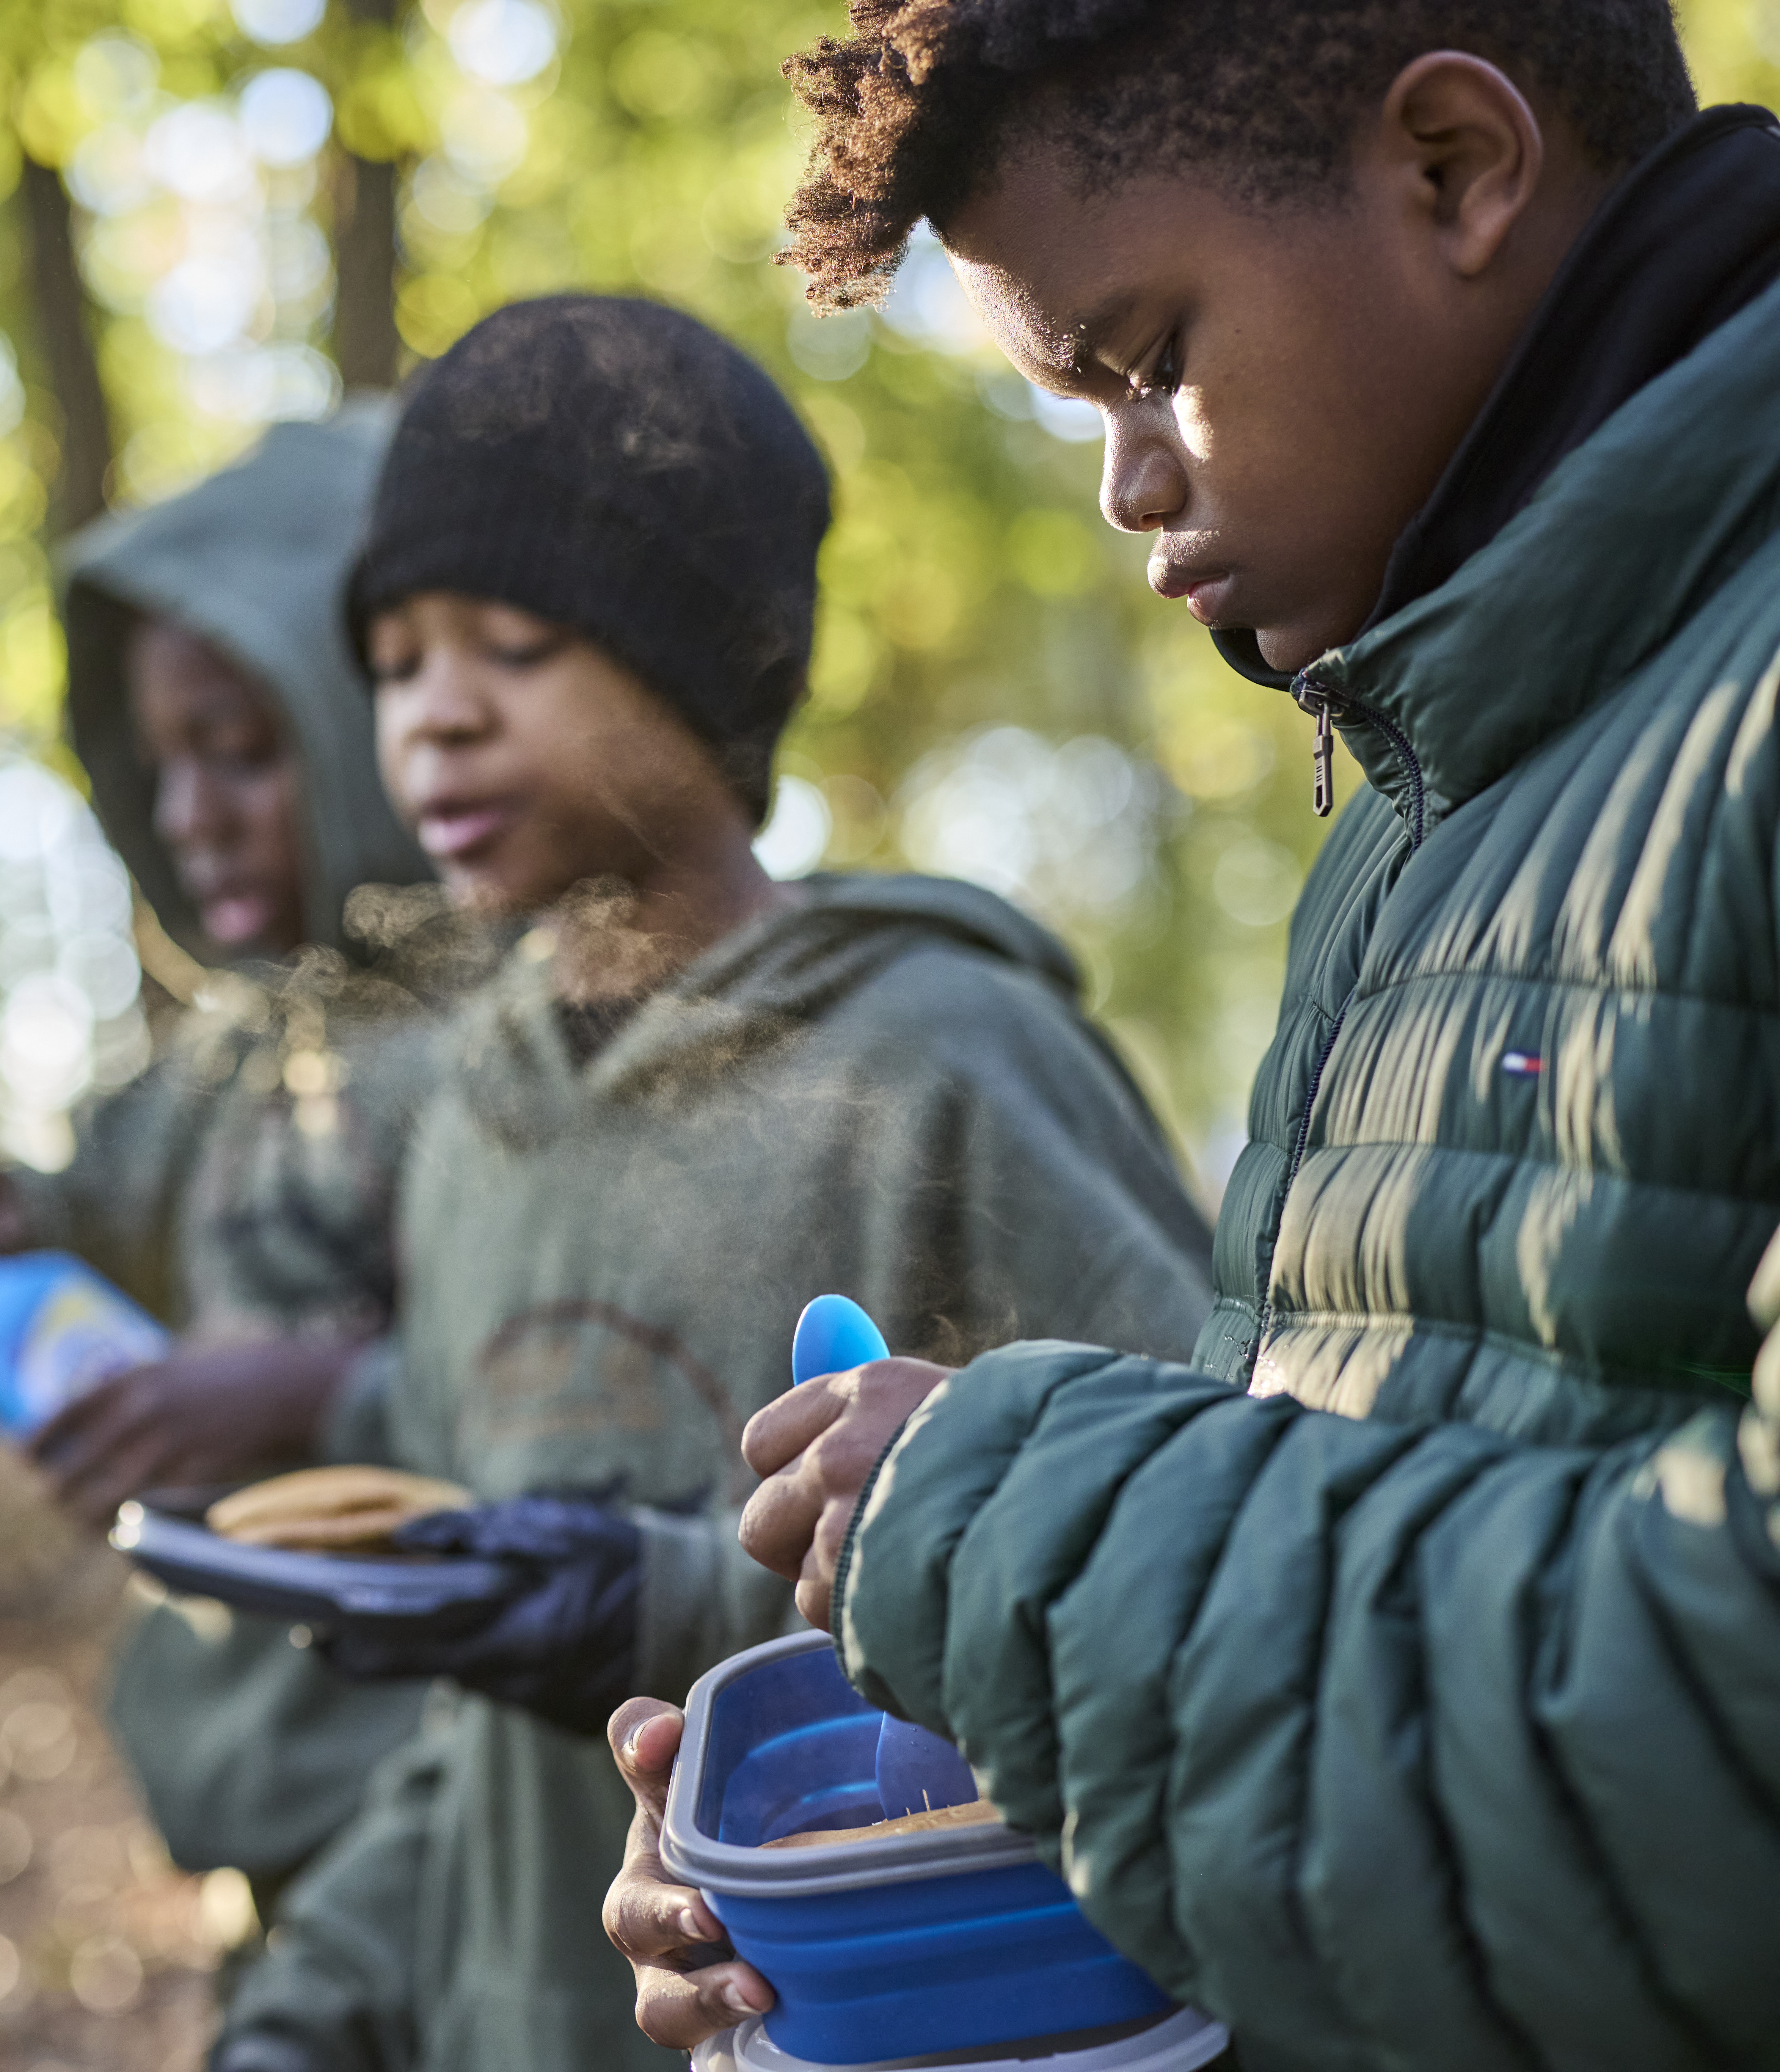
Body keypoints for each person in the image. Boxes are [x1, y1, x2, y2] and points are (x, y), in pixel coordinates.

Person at [604, 7, 1780, 2069]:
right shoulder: (1433, 807)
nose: (1129, 489)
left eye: (1148, 363)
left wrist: (1017, 1518)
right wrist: (893, 1924)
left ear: (1450, 167)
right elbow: (1393, 1739)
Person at [209, 294, 1215, 2072]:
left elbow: (1197, 1580)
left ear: (703, 660)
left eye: (510, 643)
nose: (430, 719)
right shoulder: (472, 1124)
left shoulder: (941, 1061)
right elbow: (472, 1761)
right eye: (391, 658)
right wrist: (304, 2016)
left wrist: (666, 1607)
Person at [0, 405, 479, 1922]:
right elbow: (91, 1235)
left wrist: (304, 1396)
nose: (188, 814)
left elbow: (585, 1393)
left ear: (363, 719)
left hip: (477, 1806)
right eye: (160, 765)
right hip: (260, 1808)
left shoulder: (514, 1045)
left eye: (241, 750)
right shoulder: (238, 1059)